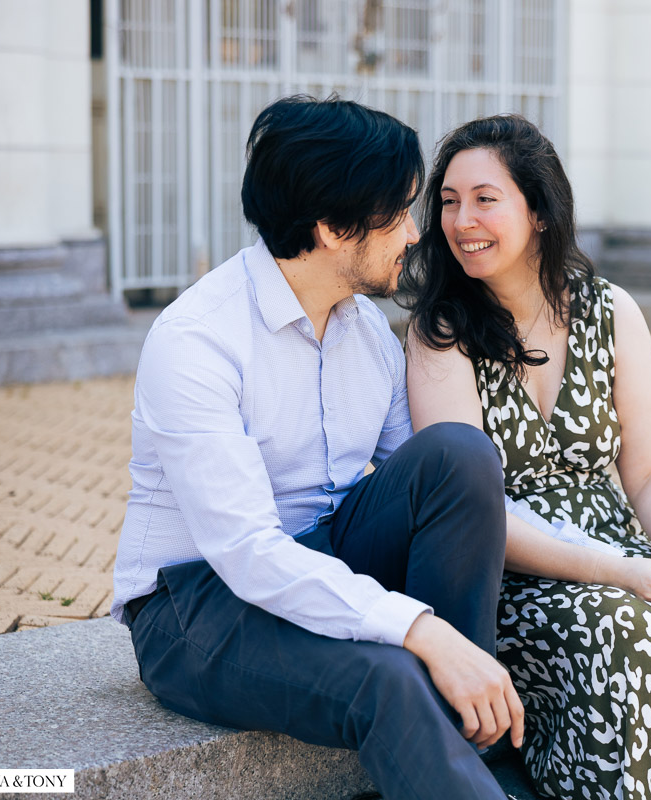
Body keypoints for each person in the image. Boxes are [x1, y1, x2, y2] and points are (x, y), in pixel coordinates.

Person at [110, 95, 523, 800]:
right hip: (195, 607)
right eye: (398, 214)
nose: (418, 233)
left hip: (318, 551)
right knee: (389, 675)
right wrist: (421, 629)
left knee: (459, 454)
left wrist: (622, 566)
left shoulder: (364, 331)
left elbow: (437, 488)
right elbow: (247, 554)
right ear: (333, 228)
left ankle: (465, 756)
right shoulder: (197, 341)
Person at [402, 115, 651, 800]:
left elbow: (650, 469)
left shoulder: (609, 310)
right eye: (448, 200)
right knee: (619, 630)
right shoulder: (441, 332)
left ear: (538, 211)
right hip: (513, 576)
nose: (460, 219)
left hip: (620, 554)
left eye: (484, 198)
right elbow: (477, 511)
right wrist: (622, 573)